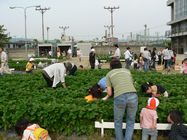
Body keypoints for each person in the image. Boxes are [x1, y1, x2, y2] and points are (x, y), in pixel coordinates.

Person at [105, 58, 138, 140]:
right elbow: (132, 83)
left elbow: (109, 93)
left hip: (119, 96)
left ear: (111, 66)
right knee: (130, 121)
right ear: (120, 65)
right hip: (133, 95)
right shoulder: (127, 71)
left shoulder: (109, 74)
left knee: (118, 121)